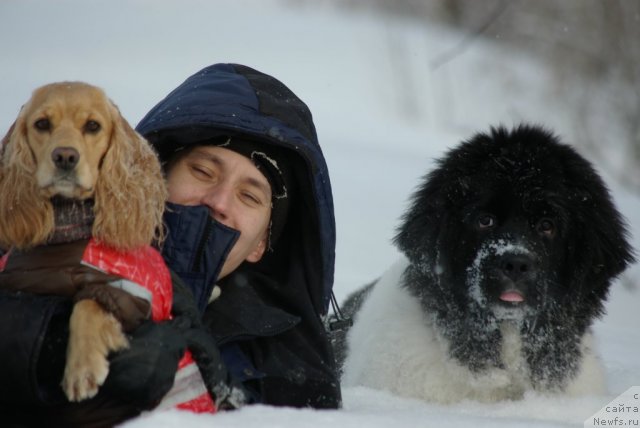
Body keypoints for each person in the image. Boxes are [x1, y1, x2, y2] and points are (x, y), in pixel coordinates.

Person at [0, 63, 341, 426]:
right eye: (203, 172)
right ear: (155, 175)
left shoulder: (289, 365)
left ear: (262, 244)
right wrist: (42, 349)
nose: (219, 202)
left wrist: (226, 401)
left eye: (249, 196)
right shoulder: (29, 246)